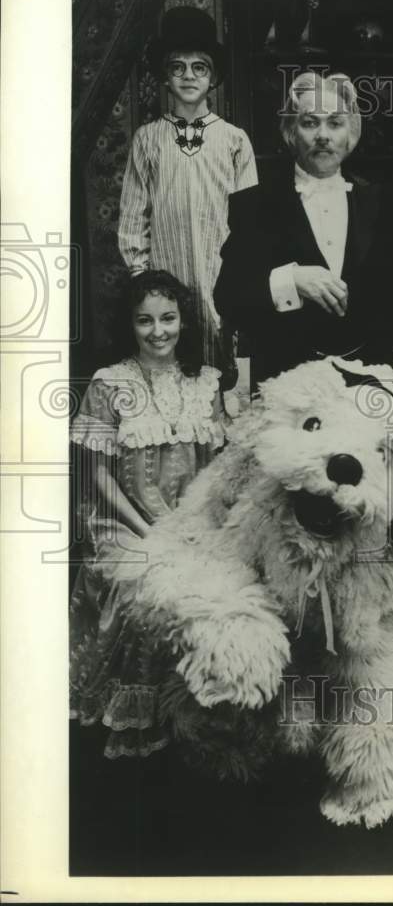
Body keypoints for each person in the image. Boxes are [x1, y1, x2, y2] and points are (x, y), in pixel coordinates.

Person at [69, 270, 226, 758]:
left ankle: (202, 709)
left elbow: (218, 470)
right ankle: (142, 712)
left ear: (183, 321)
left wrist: (195, 526)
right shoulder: (108, 383)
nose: (159, 331)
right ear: (129, 325)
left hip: (193, 519)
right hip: (124, 521)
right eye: (145, 321)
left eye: (168, 318)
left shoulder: (205, 382)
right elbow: (98, 479)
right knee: (145, 579)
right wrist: (151, 531)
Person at [214, 71, 393, 385]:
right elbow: (228, 297)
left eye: (335, 123)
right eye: (309, 122)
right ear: (291, 132)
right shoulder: (255, 205)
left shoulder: (383, 204)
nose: (323, 135)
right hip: (286, 387)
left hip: (368, 382)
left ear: (351, 133)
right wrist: (290, 280)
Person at [117, 7, 258, 389]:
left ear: (213, 78)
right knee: (174, 371)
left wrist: (243, 278)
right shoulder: (148, 138)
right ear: (165, 76)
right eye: (177, 67)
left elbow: (250, 220)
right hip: (167, 275)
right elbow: (133, 217)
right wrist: (144, 281)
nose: (189, 76)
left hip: (222, 275)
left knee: (221, 372)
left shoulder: (233, 139)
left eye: (200, 67)